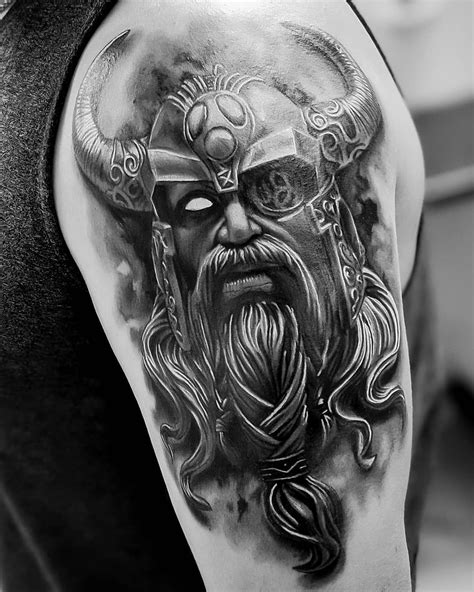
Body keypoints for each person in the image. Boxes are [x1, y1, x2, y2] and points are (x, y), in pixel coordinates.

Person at [1, 1, 441, 590]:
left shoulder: (233, 28)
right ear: (165, 256)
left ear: (333, 219)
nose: (236, 229)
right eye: (197, 205)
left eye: (275, 187)